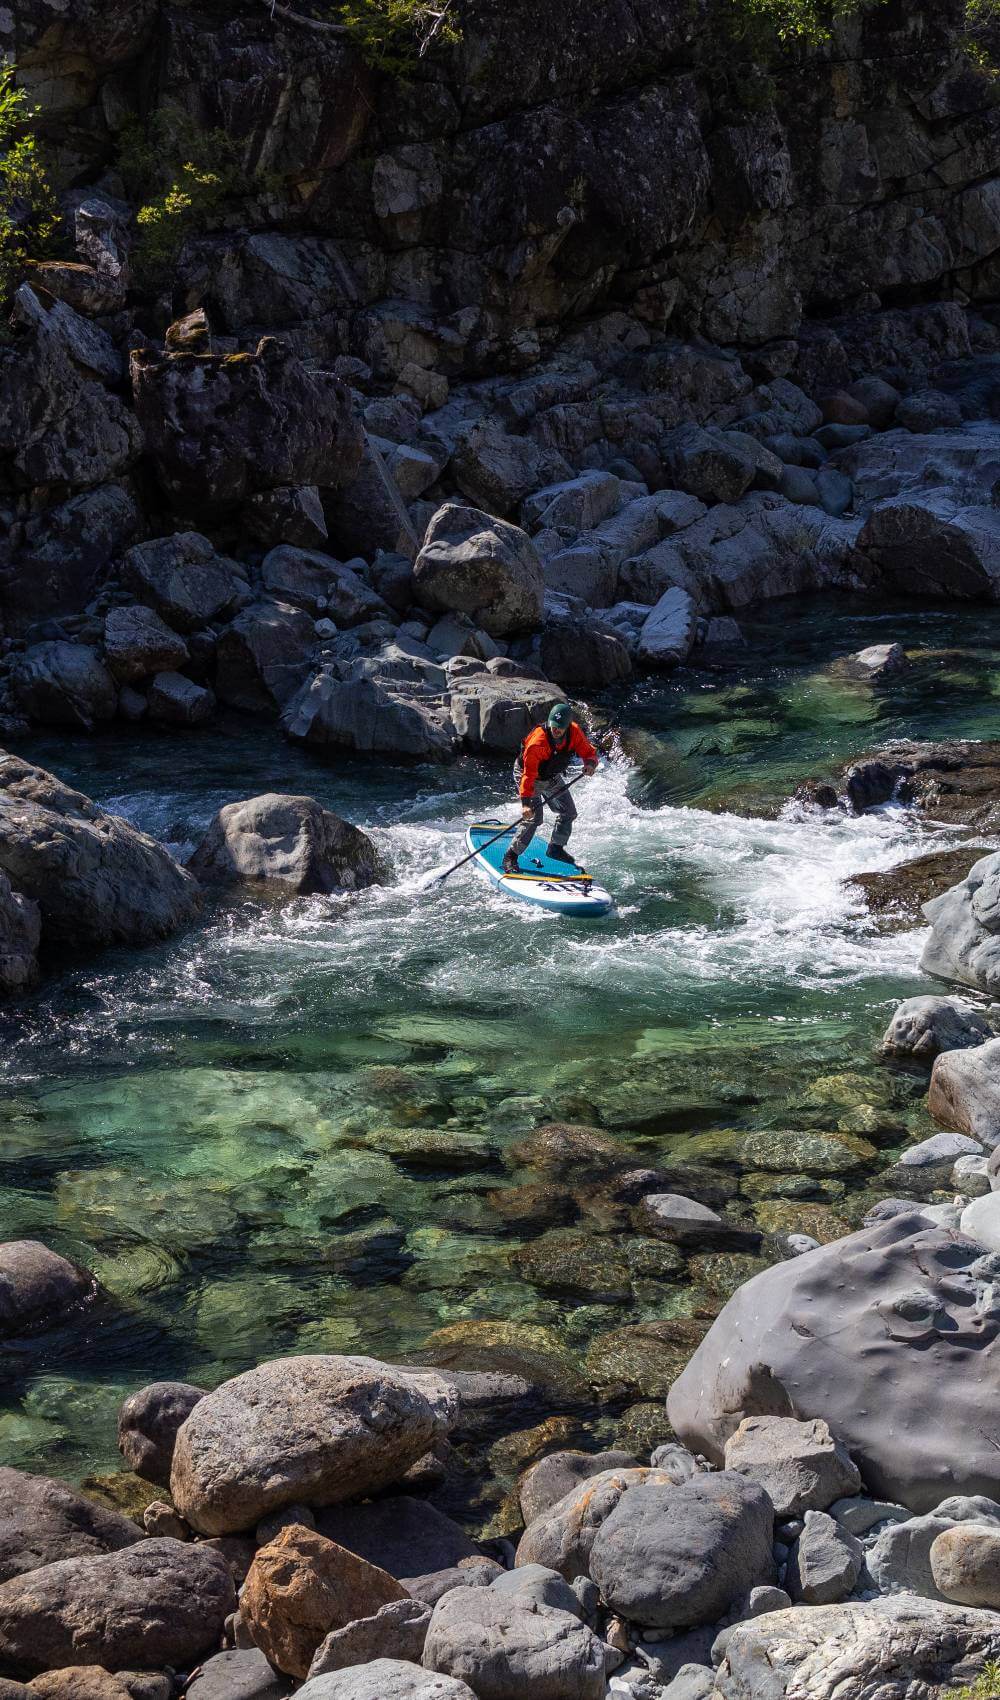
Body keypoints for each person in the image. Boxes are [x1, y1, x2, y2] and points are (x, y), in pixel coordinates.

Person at [503, 702, 598, 875]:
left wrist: (590, 764)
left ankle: (555, 847)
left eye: (560, 728)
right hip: (530, 776)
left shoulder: (574, 732)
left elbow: (588, 752)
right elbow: (528, 776)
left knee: (568, 812)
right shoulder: (537, 742)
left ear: (568, 725)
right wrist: (525, 804)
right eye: (554, 726)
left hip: (552, 776)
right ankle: (511, 856)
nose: (556, 730)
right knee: (534, 818)